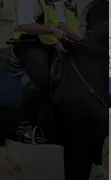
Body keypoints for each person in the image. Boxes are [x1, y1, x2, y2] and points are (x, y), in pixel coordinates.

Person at [14, 0, 79, 134]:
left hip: (49, 45)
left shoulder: (56, 3)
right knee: (42, 78)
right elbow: (25, 25)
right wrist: (53, 30)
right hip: (28, 43)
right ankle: (24, 124)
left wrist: (82, 40)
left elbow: (62, 24)